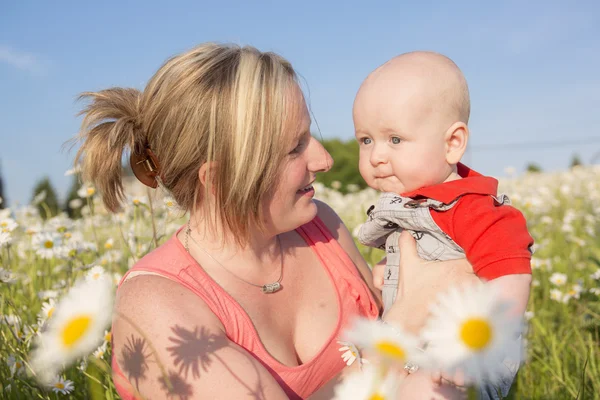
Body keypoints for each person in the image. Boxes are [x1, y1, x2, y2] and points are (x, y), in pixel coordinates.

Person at [73, 43, 476, 400]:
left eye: (309, 135)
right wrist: (406, 320)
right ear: (219, 180)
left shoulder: (323, 228)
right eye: (294, 148)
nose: (324, 160)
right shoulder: (157, 310)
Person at [353, 51, 533, 398]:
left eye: (394, 139)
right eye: (365, 140)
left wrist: (474, 348)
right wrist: (387, 269)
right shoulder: (407, 205)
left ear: (452, 143)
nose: (376, 155)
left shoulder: (476, 209)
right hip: (409, 349)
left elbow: (511, 278)